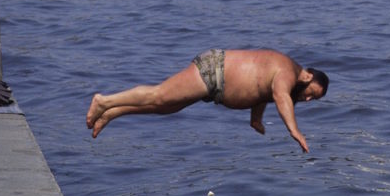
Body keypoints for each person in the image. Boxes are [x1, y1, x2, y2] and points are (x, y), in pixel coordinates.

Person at [85, 49, 329, 152]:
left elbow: (262, 91)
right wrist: (295, 130)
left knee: (166, 107)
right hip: (214, 70)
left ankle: (112, 112)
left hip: (215, 85)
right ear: (307, 76)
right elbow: (279, 95)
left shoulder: (284, 77)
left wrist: (256, 119)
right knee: (159, 95)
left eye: (312, 99)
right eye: (310, 93)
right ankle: (105, 101)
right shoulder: (288, 71)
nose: (307, 99)